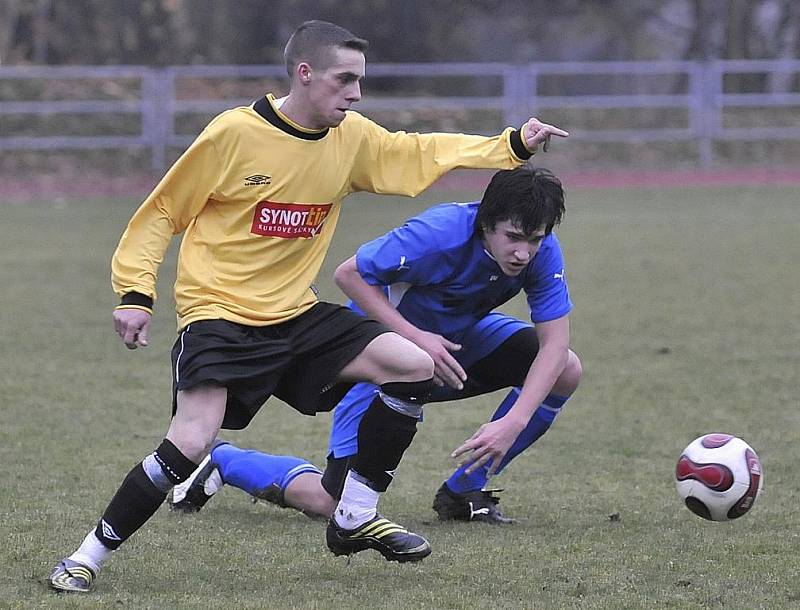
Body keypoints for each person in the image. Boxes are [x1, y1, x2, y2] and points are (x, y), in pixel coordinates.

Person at [48, 20, 569, 593]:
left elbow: (417, 152)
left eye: (360, 81)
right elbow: (161, 213)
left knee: (413, 363)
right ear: (305, 74)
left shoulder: (351, 140)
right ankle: (85, 557)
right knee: (190, 440)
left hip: (297, 314)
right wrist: (135, 293)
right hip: (219, 315)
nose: (356, 93)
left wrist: (511, 145)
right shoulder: (233, 135)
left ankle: (352, 517)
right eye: (345, 80)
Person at [171, 165, 581, 529]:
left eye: (535, 239)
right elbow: (349, 274)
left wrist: (515, 420)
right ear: (486, 223)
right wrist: (417, 340)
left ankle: (462, 493)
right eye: (513, 237)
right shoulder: (438, 234)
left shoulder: (540, 251)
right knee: (332, 502)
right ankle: (222, 461)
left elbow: (555, 343)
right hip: (385, 357)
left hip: (456, 346)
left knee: (565, 368)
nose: (523, 251)